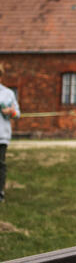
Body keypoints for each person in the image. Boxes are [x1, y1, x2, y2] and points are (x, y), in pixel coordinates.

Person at [0, 65, 20, 203]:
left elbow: (17, 114)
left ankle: (0, 192)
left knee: (0, 164)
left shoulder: (8, 93)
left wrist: (10, 112)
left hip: (1, 135)